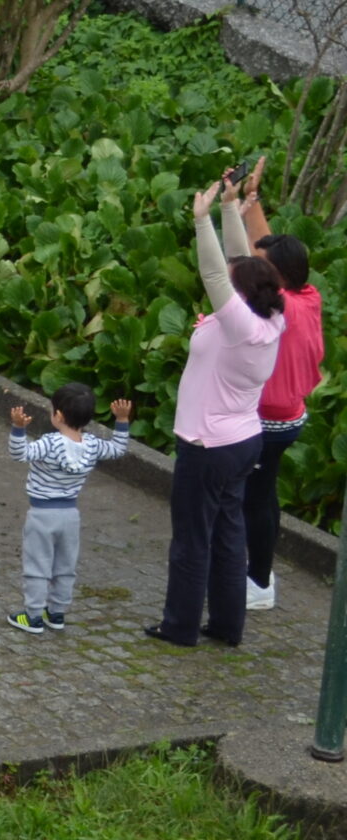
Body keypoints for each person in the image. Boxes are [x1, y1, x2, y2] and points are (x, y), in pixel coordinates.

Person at [149, 178, 287, 647]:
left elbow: (214, 273)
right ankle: (227, 627)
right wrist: (231, 209)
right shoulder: (271, 319)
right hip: (241, 442)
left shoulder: (240, 323)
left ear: (240, 294)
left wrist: (200, 219)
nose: (227, 281)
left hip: (206, 444)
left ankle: (179, 626)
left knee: (191, 539)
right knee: (229, 536)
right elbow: (238, 264)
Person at [230, 170, 323, 610]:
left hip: (267, 419)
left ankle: (259, 582)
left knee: (257, 499)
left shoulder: (277, 309)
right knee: (262, 495)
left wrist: (227, 210)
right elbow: (266, 253)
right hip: (290, 416)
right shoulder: (308, 295)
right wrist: (251, 201)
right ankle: (256, 570)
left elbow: (236, 267)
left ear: (276, 278)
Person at [7, 386, 133, 634]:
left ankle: (32, 616)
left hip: (42, 515)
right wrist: (121, 420)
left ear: (59, 415)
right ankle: (56, 613)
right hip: (70, 516)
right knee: (65, 566)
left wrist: (18, 429)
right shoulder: (93, 445)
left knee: (37, 566)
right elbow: (118, 449)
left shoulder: (49, 443)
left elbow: (19, 453)